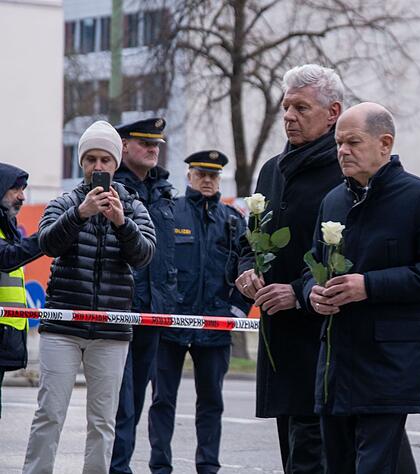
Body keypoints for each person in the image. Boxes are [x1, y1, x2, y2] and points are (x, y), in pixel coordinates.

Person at [304, 102, 420, 473]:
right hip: (336, 363)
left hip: (390, 363)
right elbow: (312, 263)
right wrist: (313, 291)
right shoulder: (333, 201)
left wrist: (368, 286)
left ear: (384, 143)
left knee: (374, 466)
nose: (342, 151)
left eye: (353, 142)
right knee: (338, 466)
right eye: (339, 143)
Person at [22, 120, 156, 473]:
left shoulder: (134, 206)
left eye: (105, 160)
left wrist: (121, 223)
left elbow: (144, 256)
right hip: (61, 327)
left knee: (102, 422)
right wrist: (80, 214)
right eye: (91, 159)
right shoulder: (64, 201)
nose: (98, 167)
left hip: (111, 332)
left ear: (116, 163)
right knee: (49, 414)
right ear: (82, 163)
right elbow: (47, 244)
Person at [234, 63, 345, 473]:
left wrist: (297, 293)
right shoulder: (271, 169)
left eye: (301, 108)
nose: (289, 117)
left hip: (322, 336)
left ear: (332, 112)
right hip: (278, 336)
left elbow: (345, 254)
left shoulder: (343, 170)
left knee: (313, 452)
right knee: (292, 448)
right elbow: (249, 238)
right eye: (286, 107)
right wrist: (247, 270)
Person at [147, 150, 251, 473]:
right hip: (171, 324)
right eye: (201, 174)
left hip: (215, 325)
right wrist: (160, 308)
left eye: (214, 175)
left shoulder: (233, 221)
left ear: (220, 179)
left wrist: (237, 310)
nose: (208, 180)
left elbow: (249, 266)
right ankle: (160, 465)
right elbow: (154, 264)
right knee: (162, 401)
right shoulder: (169, 213)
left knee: (211, 403)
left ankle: (208, 466)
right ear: (189, 176)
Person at [111, 117, 177, 474]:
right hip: (119, 309)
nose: (154, 148)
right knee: (119, 406)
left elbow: (167, 255)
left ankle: (119, 465)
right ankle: (116, 468)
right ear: (123, 146)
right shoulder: (109, 188)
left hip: (152, 311)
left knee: (134, 404)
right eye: (144, 143)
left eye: (157, 143)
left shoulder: (164, 191)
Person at [0, 163, 42, 419]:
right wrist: (49, 236)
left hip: (5, 338)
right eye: (15, 188)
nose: (22, 196)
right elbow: (8, 258)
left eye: (24, 189)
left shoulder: (8, 229)